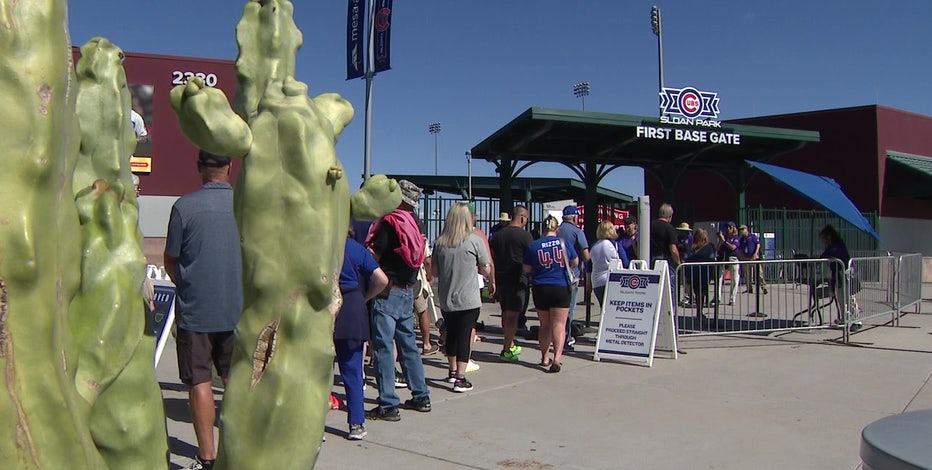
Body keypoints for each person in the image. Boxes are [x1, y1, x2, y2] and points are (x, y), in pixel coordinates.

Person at [163, 150, 242, 470]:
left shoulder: (184, 207)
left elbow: (171, 258)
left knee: (199, 381)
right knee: (234, 382)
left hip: (196, 311)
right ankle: (236, 453)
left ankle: (208, 458)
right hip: (238, 311)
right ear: (230, 167)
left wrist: (186, 285)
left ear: (199, 168)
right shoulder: (244, 208)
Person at [364, 180, 431, 421]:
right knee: (409, 345)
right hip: (407, 289)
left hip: (387, 289)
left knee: (383, 346)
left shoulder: (390, 222)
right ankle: (421, 395)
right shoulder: (414, 223)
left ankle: (388, 403)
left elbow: (375, 253)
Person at [431, 202, 492, 392]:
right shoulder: (474, 241)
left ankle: (451, 370)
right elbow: (486, 268)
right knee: (465, 336)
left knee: (451, 335)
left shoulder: (440, 243)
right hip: (468, 298)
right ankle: (461, 377)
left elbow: (434, 271)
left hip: (447, 298)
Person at [334, 233, 388, 440]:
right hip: (352, 309)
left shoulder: (319, 244)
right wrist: (365, 297)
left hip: (323, 310)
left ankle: (315, 425)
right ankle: (356, 423)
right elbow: (381, 279)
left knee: (319, 373)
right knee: (353, 371)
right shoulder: (355, 249)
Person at [524, 215, 578, 373]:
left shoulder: (534, 245)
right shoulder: (564, 243)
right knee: (559, 325)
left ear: (543, 228)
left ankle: (544, 357)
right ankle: (557, 358)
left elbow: (527, 269)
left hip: (541, 287)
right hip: (561, 286)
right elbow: (574, 261)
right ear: (557, 229)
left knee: (545, 325)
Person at [489, 205, 533, 362]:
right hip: (517, 279)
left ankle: (510, 342)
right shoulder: (525, 236)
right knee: (513, 315)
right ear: (521, 218)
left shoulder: (498, 236)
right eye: (526, 219)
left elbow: (491, 256)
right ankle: (507, 348)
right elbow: (532, 257)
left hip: (501, 278)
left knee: (505, 312)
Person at [556, 205, 589, 351]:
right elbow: (586, 255)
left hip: (554, 274)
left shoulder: (555, 231)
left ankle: (555, 335)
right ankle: (566, 337)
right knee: (569, 309)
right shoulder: (577, 232)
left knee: (555, 309)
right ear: (575, 217)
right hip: (571, 275)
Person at [819, 225, 860, 326]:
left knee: (849, 297)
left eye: (824, 238)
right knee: (840, 298)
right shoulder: (831, 246)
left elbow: (835, 255)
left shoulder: (838, 245)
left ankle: (856, 320)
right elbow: (824, 255)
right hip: (838, 275)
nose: (823, 241)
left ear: (828, 237)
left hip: (845, 274)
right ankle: (844, 318)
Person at [590, 220, 627, 309]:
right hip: (612, 280)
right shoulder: (615, 245)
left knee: (603, 310)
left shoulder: (594, 246)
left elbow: (588, 266)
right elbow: (625, 262)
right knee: (614, 310)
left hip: (597, 281)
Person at [683, 228, 717, 316]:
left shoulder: (692, 249)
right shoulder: (709, 247)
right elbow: (713, 260)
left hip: (694, 273)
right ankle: (699, 312)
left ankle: (699, 312)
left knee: (698, 293)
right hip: (703, 273)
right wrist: (714, 274)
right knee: (701, 293)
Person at [649, 203, 681, 284]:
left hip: (650, 260)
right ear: (670, 216)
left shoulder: (649, 225)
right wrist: (678, 263)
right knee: (670, 287)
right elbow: (673, 249)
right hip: (665, 261)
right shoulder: (669, 228)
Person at [715, 222, 741, 306]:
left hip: (733, 258)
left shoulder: (736, 238)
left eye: (729, 227)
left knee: (734, 279)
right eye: (727, 228)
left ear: (733, 228)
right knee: (719, 279)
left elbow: (733, 247)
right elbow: (718, 249)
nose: (727, 229)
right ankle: (717, 298)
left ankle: (732, 299)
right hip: (724, 258)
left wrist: (724, 241)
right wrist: (720, 241)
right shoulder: (725, 238)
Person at [738, 224, 768, 295]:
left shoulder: (752, 236)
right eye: (740, 230)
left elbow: (758, 244)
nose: (741, 231)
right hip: (746, 258)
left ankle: (764, 287)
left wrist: (755, 253)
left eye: (743, 229)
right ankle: (749, 288)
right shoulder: (742, 239)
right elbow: (740, 248)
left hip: (754, 257)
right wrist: (742, 256)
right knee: (748, 275)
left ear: (746, 229)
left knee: (759, 273)